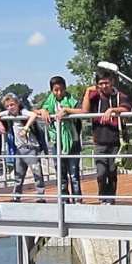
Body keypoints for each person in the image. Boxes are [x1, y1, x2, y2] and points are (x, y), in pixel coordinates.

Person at [82, 69, 131, 204]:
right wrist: (87, 91)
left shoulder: (119, 96)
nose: (104, 86)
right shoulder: (95, 97)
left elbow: (126, 108)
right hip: (100, 142)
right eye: (101, 83)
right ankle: (102, 197)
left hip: (116, 141)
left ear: (112, 82)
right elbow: (85, 110)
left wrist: (112, 110)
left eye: (106, 82)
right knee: (101, 172)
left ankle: (110, 198)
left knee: (112, 171)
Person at [0, 93, 45, 203]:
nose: (10, 107)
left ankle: (40, 196)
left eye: (12, 105)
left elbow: (33, 115)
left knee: (37, 173)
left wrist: (26, 128)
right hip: (19, 149)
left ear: (18, 104)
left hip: (31, 148)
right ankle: (16, 196)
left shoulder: (22, 112)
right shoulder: (8, 113)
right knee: (18, 175)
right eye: (8, 106)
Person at [37, 75, 84, 203]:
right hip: (57, 143)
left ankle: (77, 200)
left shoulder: (71, 100)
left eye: (61, 89)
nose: (59, 93)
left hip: (72, 142)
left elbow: (82, 111)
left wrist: (65, 110)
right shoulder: (49, 102)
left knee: (74, 174)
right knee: (61, 174)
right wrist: (42, 111)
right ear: (51, 90)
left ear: (65, 89)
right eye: (56, 90)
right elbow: (34, 111)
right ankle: (64, 200)